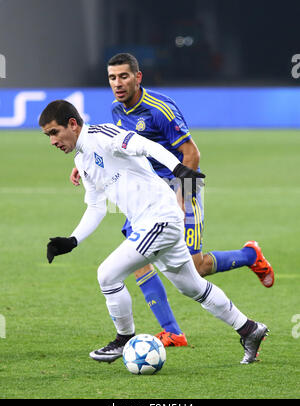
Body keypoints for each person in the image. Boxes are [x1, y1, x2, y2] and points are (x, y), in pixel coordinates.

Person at [40, 99, 269, 365]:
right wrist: (73, 240)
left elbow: (145, 145)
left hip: (159, 218)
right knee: (194, 287)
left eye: (54, 132)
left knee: (107, 275)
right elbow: (96, 205)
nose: (52, 141)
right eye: (47, 136)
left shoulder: (102, 135)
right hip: (150, 223)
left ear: (72, 124)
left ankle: (124, 338)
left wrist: (178, 169)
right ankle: (249, 329)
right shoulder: (83, 159)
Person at [69, 53, 274, 347]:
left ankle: (250, 256)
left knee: (197, 266)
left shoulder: (159, 110)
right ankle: (172, 331)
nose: (117, 83)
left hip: (182, 186)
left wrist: (182, 197)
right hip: (148, 197)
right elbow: (121, 147)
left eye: (124, 76)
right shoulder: (117, 111)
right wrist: (86, 162)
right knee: (137, 261)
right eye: (112, 78)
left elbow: (192, 153)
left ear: (138, 77)